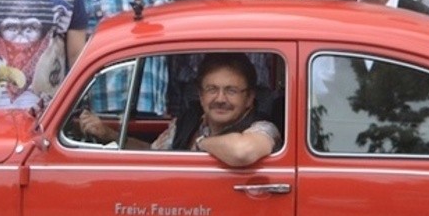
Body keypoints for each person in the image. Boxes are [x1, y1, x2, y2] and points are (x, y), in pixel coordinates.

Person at [77, 53, 280, 167]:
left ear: (249, 98)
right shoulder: (188, 121)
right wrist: (109, 134)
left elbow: (242, 152)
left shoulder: (263, 128)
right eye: (212, 89)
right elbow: (154, 154)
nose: (220, 99)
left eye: (231, 91)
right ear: (200, 95)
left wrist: (200, 144)